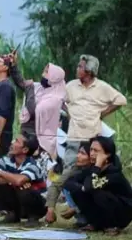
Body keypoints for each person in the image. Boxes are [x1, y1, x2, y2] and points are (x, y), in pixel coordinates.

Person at [46, 55, 127, 223]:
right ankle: (65, 210)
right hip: (74, 138)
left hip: (92, 140)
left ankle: (87, 215)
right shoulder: (71, 86)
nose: (77, 69)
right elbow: (58, 100)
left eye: (80, 66)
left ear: (89, 71)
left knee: (92, 178)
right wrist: (70, 113)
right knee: (68, 176)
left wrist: (102, 114)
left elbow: (121, 100)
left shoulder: (102, 87)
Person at [64, 136, 132, 235]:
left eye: (96, 151)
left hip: (122, 213)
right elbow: (68, 183)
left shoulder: (114, 173)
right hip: (104, 210)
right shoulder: (91, 170)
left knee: (97, 193)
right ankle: (96, 224)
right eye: (91, 150)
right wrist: (82, 188)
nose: (91, 153)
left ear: (107, 154)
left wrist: (97, 167)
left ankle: (112, 226)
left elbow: (90, 187)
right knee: (79, 191)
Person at [7, 51, 66, 156]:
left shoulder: (56, 98)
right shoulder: (38, 87)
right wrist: (13, 65)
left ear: (54, 78)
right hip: (25, 131)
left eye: (47, 72)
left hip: (40, 138)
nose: (43, 74)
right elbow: (20, 82)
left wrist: (29, 90)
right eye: (44, 71)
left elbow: (34, 111)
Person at [0, 134, 46, 227]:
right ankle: (12, 214)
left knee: (23, 188)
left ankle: (33, 217)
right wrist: (12, 181)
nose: (12, 142)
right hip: (19, 200)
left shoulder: (33, 165)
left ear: (25, 150)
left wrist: (1, 174)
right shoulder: (6, 160)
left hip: (39, 205)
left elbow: (19, 181)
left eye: (17, 141)